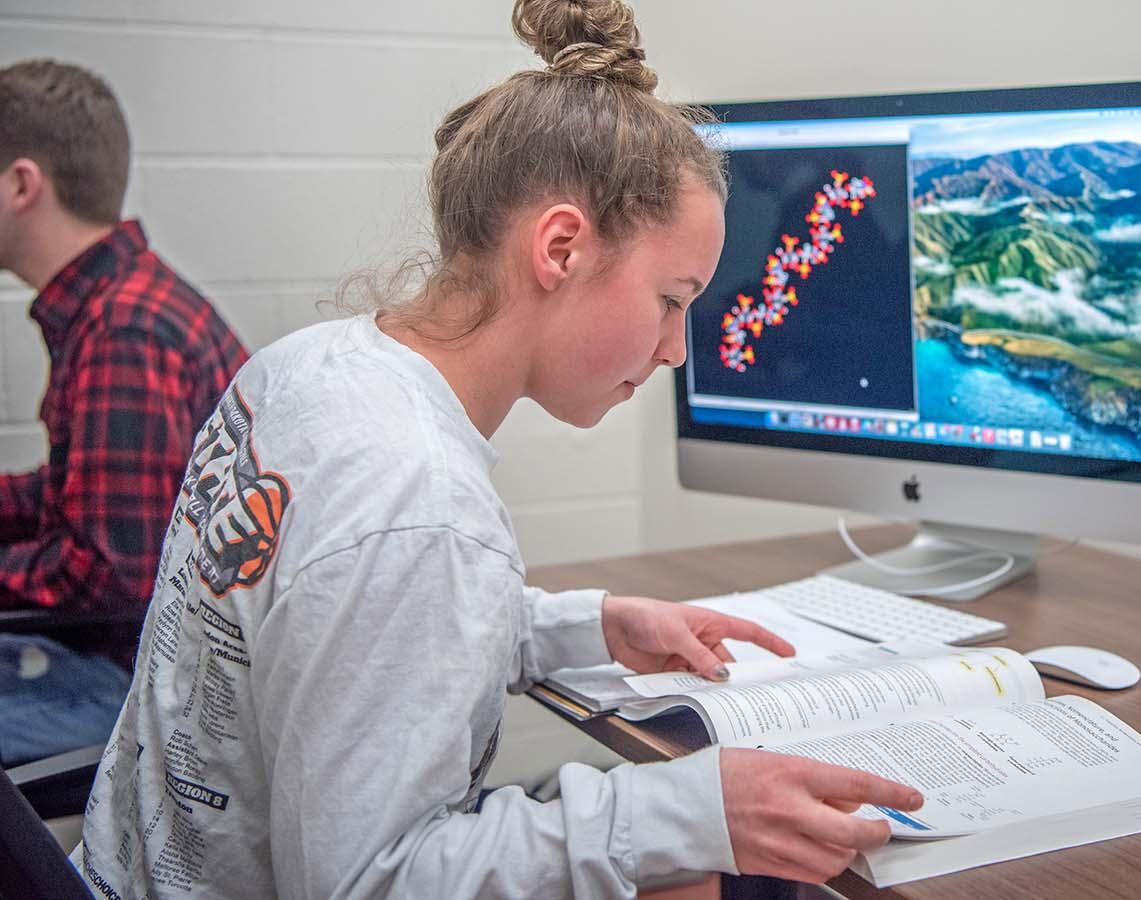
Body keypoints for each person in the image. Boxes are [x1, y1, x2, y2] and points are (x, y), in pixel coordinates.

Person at [72, 1, 924, 897]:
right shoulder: (418, 499)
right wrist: (689, 811)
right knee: (706, 875)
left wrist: (575, 626)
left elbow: (332, 626)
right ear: (559, 248)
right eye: (672, 300)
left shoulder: (307, 371)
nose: (676, 350)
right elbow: (367, 883)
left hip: (117, 869)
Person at [0, 58, 248, 766]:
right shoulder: (116, 303)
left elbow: (108, 572)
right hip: (124, 652)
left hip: (143, 681)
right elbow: (86, 496)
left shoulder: (125, 329)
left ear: (23, 184)